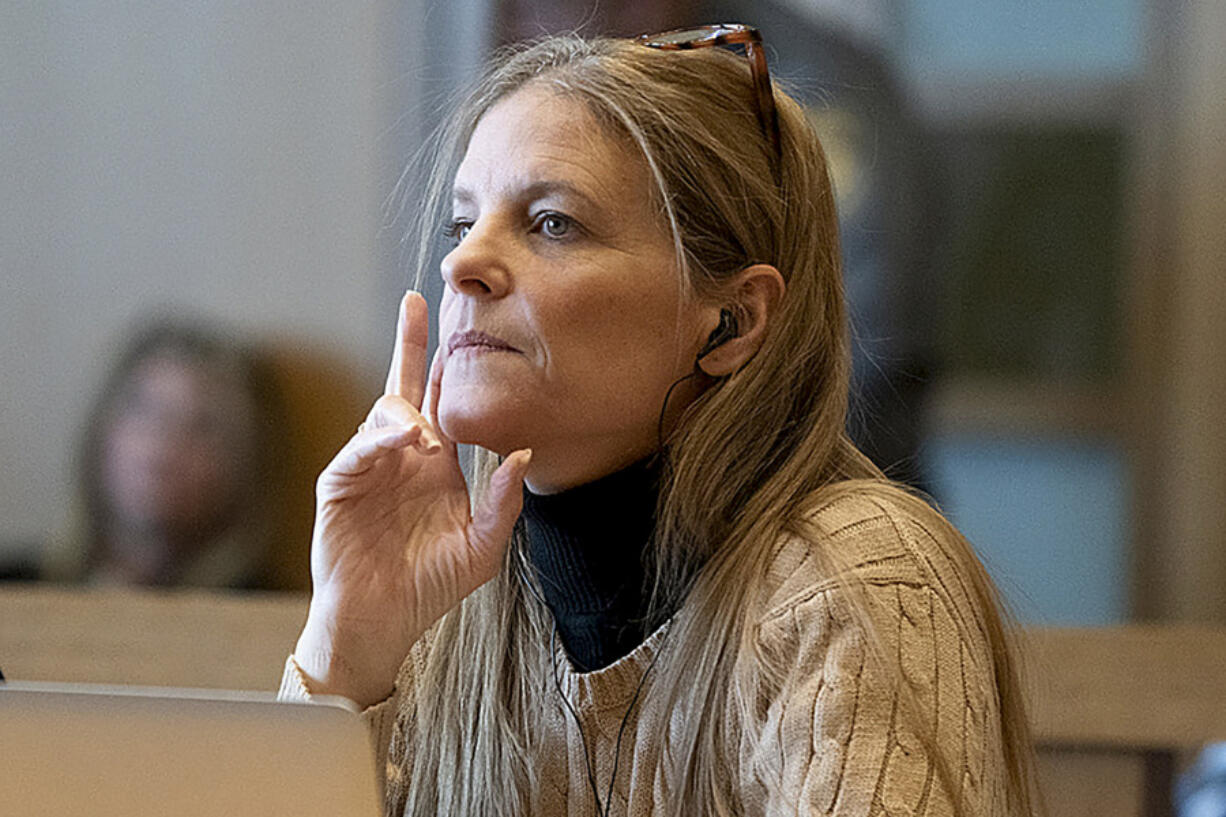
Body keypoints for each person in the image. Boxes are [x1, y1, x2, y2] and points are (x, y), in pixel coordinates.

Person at [280, 27, 1038, 816]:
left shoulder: (853, 580)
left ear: (732, 323)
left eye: (551, 223)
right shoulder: (449, 596)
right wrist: (346, 644)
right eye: (462, 223)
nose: (460, 264)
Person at [43, 320, 283, 589]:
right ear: (101, 429)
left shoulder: (279, 614)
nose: (164, 442)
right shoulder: (15, 589)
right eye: (144, 409)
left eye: (202, 425)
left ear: (241, 463)